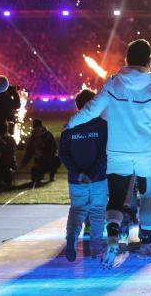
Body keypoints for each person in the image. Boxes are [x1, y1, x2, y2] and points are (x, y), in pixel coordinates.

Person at [64, 39, 151, 266]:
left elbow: (91, 110)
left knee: (117, 199)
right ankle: (146, 245)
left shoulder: (113, 83)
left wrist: (71, 124)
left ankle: (113, 238)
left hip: (118, 151)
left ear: (127, 58)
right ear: (149, 60)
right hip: (148, 151)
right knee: (147, 197)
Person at [59, 89, 108, 262]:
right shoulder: (102, 125)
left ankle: (72, 236)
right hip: (99, 178)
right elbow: (105, 153)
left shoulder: (70, 127)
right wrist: (92, 174)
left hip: (76, 180)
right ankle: (96, 247)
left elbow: (63, 154)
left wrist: (78, 173)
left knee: (77, 209)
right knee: (97, 211)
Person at [21, 119, 59, 184]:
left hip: (49, 159)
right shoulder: (32, 138)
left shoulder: (48, 135)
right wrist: (23, 164)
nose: (36, 129)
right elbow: (29, 152)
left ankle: (51, 174)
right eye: (35, 127)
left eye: (37, 127)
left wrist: (46, 157)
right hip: (39, 161)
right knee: (35, 175)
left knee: (57, 159)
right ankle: (40, 173)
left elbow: (53, 148)